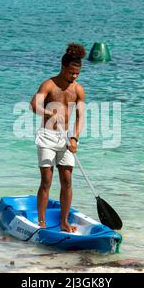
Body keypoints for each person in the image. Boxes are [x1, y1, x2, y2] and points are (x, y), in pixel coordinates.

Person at [30, 43, 86, 233]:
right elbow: (33, 105)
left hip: (66, 139)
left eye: (77, 73)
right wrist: (48, 113)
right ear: (63, 68)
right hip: (47, 136)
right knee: (46, 180)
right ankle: (42, 221)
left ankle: (64, 222)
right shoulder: (49, 84)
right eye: (71, 73)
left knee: (67, 180)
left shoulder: (78, 90)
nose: (74, 76)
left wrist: (75, 139)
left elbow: (80, 117)